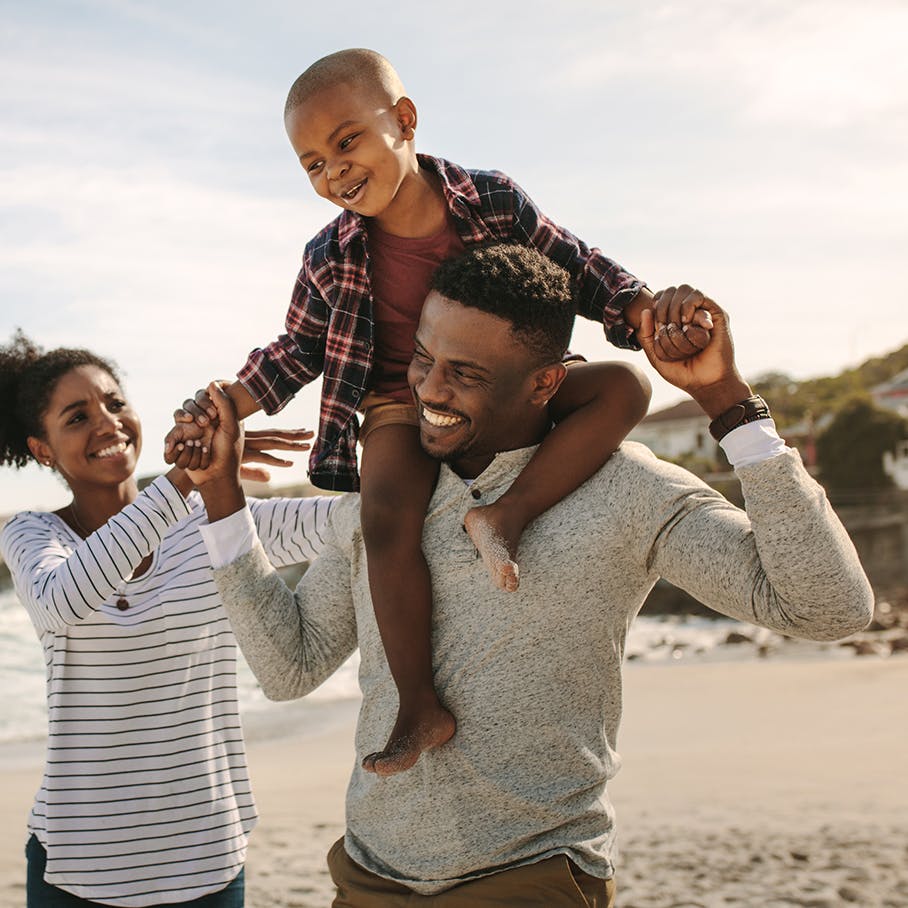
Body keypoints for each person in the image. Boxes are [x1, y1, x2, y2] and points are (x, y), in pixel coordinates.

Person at [190, 243, 872, 907]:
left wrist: (726, 401)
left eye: (466, 373)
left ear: (547, 381)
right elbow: (289, 669)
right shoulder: (384, 502)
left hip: (532, 879)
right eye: (423, 359)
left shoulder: (625, 491)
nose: (430, 388)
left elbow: (828, 606)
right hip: (371, 877)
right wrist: (221, 494)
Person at [164, 47, 714, 776]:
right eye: (312, 165)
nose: (334, 173)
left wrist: (645, 312)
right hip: (400, 399)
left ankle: (505, 516)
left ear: (404, 120)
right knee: (384, 515)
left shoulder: (490, 200)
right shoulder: (328, 254)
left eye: (346, 142)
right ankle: (419, 706)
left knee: (625, 391)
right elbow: (297, 349)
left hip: (503, 387)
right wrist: (223, 403)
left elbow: (578, 266)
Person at [0, 332, 333, 908]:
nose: (107, 423)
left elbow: (348, 523)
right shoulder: (33, 534)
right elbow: (62, 600)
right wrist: (183, 480)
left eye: (115, 402)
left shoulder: (214, 519)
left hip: (206, 857)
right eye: (77, 417)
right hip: (80, 867)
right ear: (43, 449)